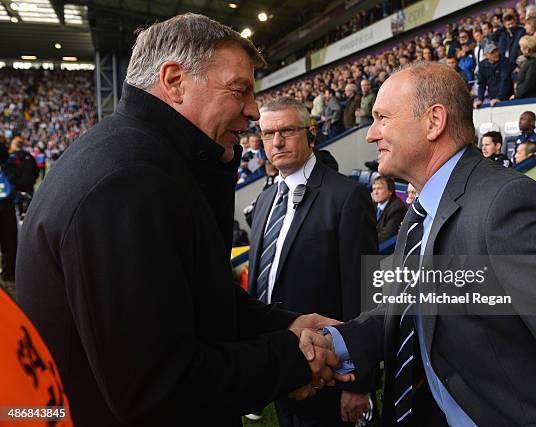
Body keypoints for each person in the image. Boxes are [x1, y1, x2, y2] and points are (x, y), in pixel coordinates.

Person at [16, 14, 346, 427]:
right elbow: (159, 386)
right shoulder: (128, 182)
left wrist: (289, 324)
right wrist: (292, 359)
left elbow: (196, 299)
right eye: (239, 90)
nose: (253, 110)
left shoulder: (143, 160)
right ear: (174, 81)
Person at [300, 61, 536, 426]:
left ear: (434, 121)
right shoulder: (422, 211)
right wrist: (335, 343)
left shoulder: (505, 203)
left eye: (382, 118)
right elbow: (409, 306)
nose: (371, 134)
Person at [248, 97, 378, 426]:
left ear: (311, 133)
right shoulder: (264, 201)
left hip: (331, 370)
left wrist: (359, 381)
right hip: (279, 361)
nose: (276, 141)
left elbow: (361, 294)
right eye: (267, 133)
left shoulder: (346, 197)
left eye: (287, 130)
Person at [474, 43, 514, 108]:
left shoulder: (505, 62)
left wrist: (499, 98)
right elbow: (482, 84)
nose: (496, 54)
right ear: (486, 55)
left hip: (507, 97)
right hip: (493, 98)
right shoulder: (482, 65)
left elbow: (505, 81)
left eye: (496, 51)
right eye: (492, 53)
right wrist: (480, 99)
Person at [0, 141, 17, 284]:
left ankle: (8, 272)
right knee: (8, 240)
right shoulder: (9, 163)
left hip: (5, 205)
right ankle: (8, 272)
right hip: (6, 205)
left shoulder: (8, 164)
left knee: (8, 241)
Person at [372, 176, 408, 243]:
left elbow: (386, 236)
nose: (375, 192)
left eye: (379, 188)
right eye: (374, 189)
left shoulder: (398, 209)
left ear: (390, 191)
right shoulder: (372, 204)